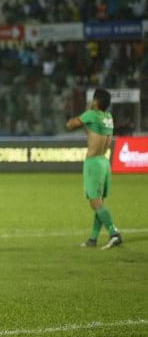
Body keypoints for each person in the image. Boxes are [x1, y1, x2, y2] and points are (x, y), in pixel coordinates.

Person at [65, 88, 123, 249]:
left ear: (96, 101)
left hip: (93, 163)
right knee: (99, 202)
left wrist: (84, 111)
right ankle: (93, 239)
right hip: (104, 162)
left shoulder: (91, 114)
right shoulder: (108, 117)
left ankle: (114, 233)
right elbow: (90, 131)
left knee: (95, 202)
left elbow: (70, 125)